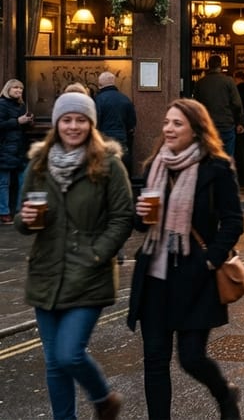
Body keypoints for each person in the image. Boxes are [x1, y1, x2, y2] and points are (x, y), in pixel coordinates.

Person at [17, 92, 134, 420]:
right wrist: (24, 220)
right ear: (56, 123)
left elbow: (123, 218)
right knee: (54, 362)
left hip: (89, 275)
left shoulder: (109, 164)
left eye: (80, 120)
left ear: (91, 124)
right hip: (47, 274)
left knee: (68, 354)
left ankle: (103, 398)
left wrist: (98, 255)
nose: (73, 126)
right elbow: (21, 219)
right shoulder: (39, 164)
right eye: (66, 120)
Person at [125, 98, 244, 419]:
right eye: (166, 122)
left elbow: (234, 221)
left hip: (196, 276)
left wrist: (210, 260)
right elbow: (141, 224)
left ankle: (225, 393)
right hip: (155, 274)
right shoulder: (154, 167)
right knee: (154, 360)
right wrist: (140, 216)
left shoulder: (217, 168)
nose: (168, 128)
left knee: (191, 358)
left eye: (177, 123)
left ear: (196, 128)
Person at [192, 56, 243, 160]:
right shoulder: (229, 81)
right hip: (226, 125)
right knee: (227, 158)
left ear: (208, 65)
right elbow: (237, 104)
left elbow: (195, 106)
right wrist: (239, 122)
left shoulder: (200, 83)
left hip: (207, 127)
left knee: (208, 157)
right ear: (220, 65)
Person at [0, 79, 35, 224]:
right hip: (4, 148)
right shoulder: (1, 104)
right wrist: (17, 122)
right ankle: (4, 212)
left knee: (23, 180)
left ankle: (20, 211)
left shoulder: (21, 105)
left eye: (21, 89)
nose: (19, 91)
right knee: (3, 182)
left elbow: (23, 128)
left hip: (20, 148)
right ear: (8, 89)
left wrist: (29, 122)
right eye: (15, 88)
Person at [94, 71, 137, 175]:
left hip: (104, 141)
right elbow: (132, 124)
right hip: (122, 141)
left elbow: (95, 122)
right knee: (123, 171)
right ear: (114, 83)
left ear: (100, 85)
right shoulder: (125, 99)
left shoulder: (98, 100)